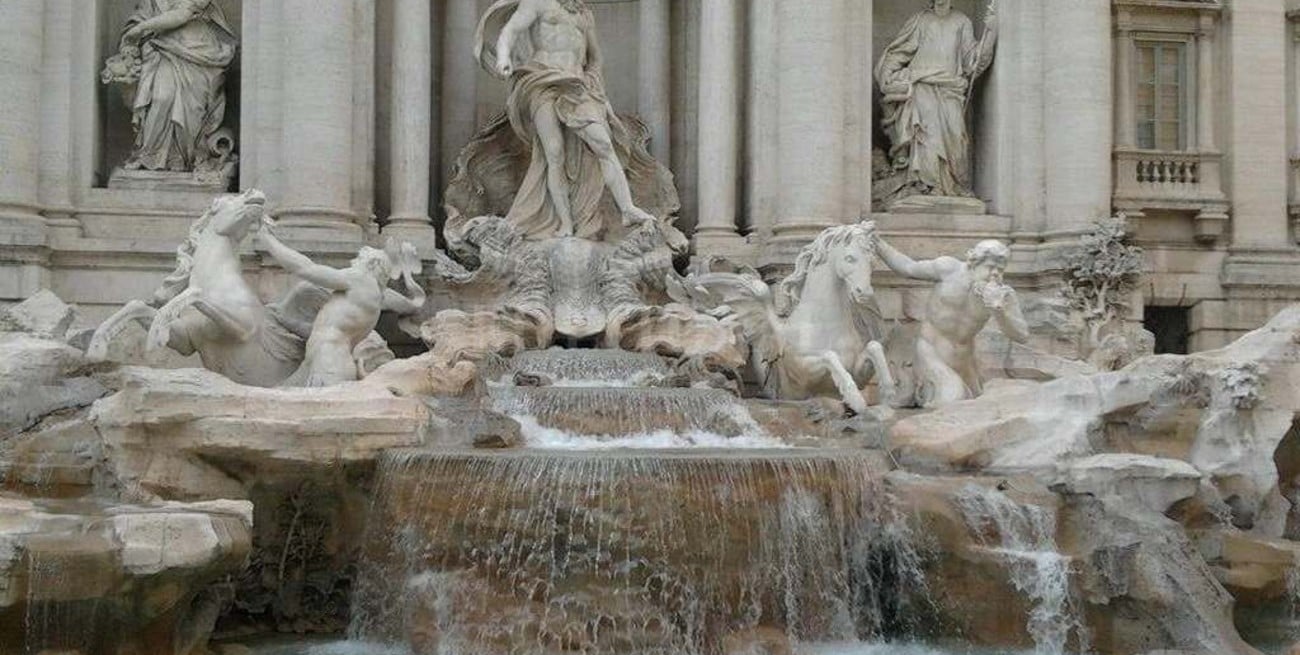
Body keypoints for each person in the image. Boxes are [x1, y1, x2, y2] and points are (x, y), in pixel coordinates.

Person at [474, 0, 659, 240]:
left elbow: (595, 57)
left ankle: (627, 209)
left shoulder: (583, 13)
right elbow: (510, 31)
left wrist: (595, 86)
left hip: (576, 85)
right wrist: (503, 57)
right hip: (541, 81)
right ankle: (565, 223)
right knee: (554, 153)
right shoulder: (537, 3)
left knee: (603, 143)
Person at [260, 219, 425, 387]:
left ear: (372, 264)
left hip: (329, 364)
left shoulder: (360, 279)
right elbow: (323, 330)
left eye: (360, 258)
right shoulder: (369, 296)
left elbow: (305, 268)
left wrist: (268, 241)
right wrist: (287, 321)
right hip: (323, 361)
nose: (354, 262)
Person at [875, 238, 1028, 407]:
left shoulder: (1003, 295)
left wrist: (1000, 312)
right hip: (930, 351)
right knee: (953, 400)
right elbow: (908, 267)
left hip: (964, 362)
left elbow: (1021, 335)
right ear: (973, 262)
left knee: (976, 407)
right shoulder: (948, 269)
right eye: (990, 267)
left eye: (1000, 270)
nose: (995, 274)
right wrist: (879, 244)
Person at [875, 0, 997, 201]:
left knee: (956, 136)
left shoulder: (962, 21)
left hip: (951, 89)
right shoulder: (920, 21)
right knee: (926, 136)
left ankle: (951, 185)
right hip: (922, 87)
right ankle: (926, 185)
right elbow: (898, 53)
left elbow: (973, 63)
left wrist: (990, 33)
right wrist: (888, 73)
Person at [114, 0, 238, 173]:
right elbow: (137, 19)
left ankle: (183, 159)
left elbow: (182, 14)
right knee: (161, 98)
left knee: (191, 108)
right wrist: (133, 36)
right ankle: (149, 155)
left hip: (197, 52)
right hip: (161, 50)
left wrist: (140, 29)